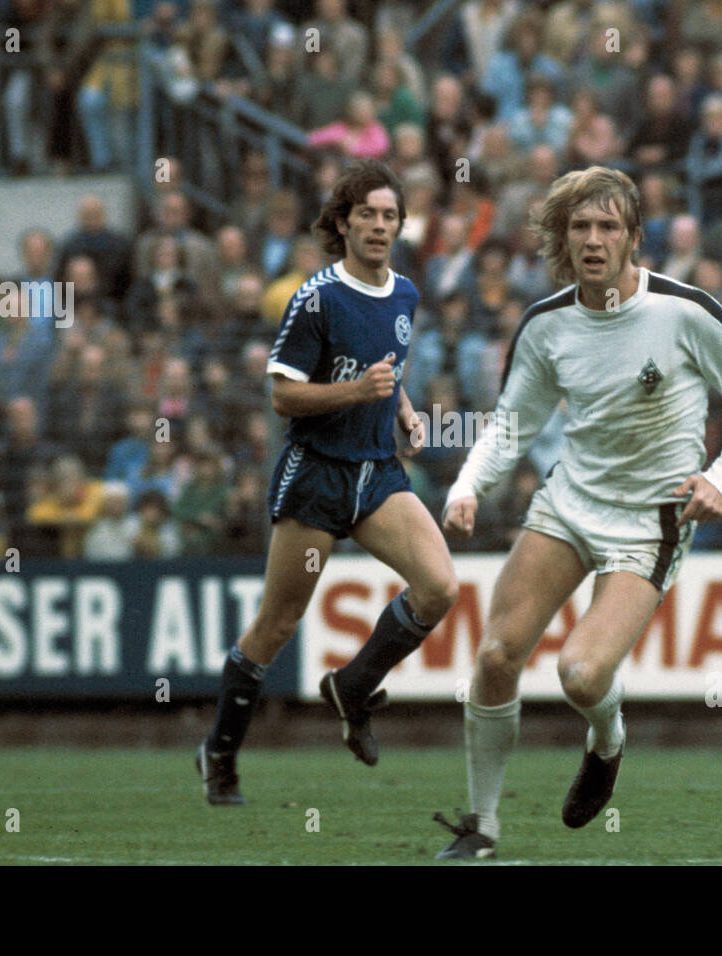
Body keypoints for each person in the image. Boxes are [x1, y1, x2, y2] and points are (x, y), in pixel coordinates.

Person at [433, 166, 722, 858]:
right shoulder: (547, 325)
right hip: (569, 503)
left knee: (582, 675)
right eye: (581, 227)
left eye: (608, 226)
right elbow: (511, 425)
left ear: (633, 239)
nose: (594, 240)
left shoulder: (684, 310)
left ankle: (607, 738)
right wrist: (467, 485)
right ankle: (481, 827)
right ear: (565, 239)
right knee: (498, 653)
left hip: (651, 521)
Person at [196, 159, 458, 805]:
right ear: (342, 223)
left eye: (389, 214)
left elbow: (389, 369)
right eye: (366, 213)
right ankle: (220, 752)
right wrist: (354, 390)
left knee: (439, 586)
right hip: (315, 476)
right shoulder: (317, 296)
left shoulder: (405, 293)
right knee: (278, 623)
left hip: (375, 474)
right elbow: (283, 396)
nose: (378, 225)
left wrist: (400, 408)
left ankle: (352, 685)